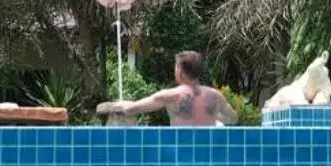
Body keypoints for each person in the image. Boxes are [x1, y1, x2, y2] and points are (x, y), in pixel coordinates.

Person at [96, 51, 237, 126]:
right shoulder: (215, 96)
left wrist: (118, 105)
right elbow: (233, 118)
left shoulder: (170, 96)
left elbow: (133, 108)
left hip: (181, 154)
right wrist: (214, 118)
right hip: (208, 156)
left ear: (179, 72)